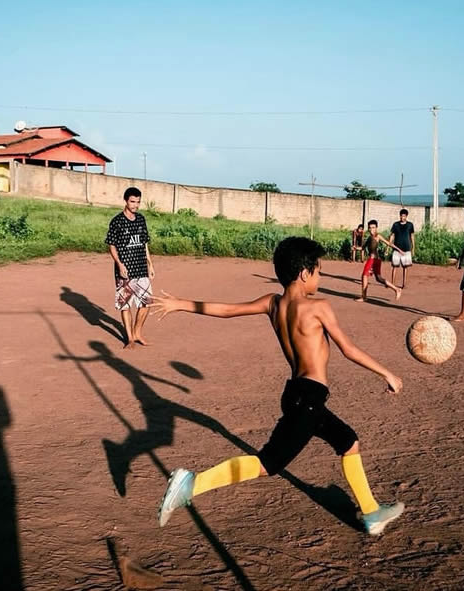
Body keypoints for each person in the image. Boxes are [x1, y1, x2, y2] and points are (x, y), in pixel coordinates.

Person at [151, 237, 405, 536]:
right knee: (267, 463)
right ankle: (191, 483)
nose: (320, 277)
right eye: (319, 270)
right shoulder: (318, 307)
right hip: (307, 399)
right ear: (304, 273)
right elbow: (348, 349)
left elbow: (227, 310)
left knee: (348, 440)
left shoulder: (273, 303)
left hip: (298, 395)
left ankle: (372, 513)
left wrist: (181, 304)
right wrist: (387, 373)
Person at [106, 187, 155, 349]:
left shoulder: (141, 219)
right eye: (133, 201)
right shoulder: (116, 221)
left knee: (146, 303)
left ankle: (138, 333)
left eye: (138, 202)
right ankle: (130, 338)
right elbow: (112, 246)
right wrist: (120, 265)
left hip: (141, 268)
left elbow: (145, 243)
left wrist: (150, 264)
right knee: (125, 305)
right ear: (126, 201)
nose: (136, 205)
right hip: (125, 271)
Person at [358, 220, 403, 302]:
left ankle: (364, 297)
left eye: (373, 227)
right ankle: (397, 289)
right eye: (370, 228)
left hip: (373, 259)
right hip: (376, 260)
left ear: (376, 228)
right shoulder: (369, 238)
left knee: (364, 275)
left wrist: (399, 250)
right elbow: (362, 248)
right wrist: (355, 248)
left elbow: (388, 243)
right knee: (379, 278)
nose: (371, 229)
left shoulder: (377, 236)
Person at [389, 209, 415, 289]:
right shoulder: (395, 225)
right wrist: (388, 246)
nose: (402, 217)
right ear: (399, 215)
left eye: (404, 216)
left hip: (406, 249)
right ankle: (392, 283)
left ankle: (404, 284)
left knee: (405, 267)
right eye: (401, 215)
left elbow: (412, 236)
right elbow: (392, 235)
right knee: (394, 266)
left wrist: (413, 248)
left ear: (406, 216)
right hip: (396, 248)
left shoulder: (410, 225)